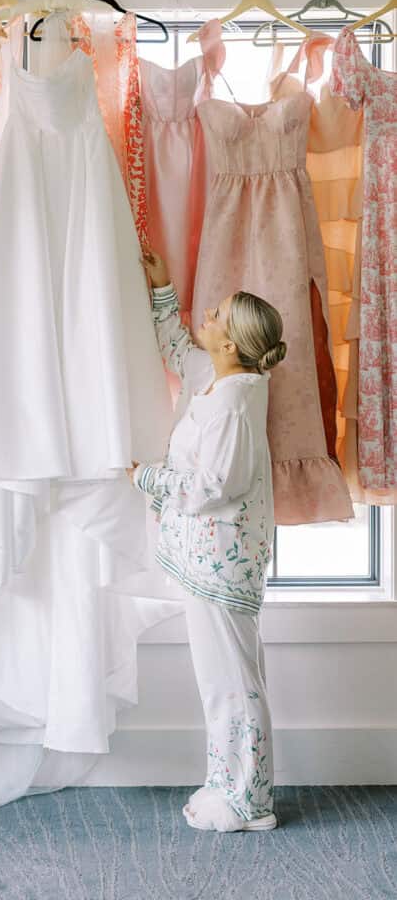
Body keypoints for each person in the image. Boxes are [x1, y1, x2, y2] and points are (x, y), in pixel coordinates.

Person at [131, 248, 287, 832]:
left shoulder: (234, 404)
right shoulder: (217, 376)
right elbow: (176, 346)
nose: (209, 314)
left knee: (234, 684)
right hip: (210, 561)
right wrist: (162, 287)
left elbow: (214, 486)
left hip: (223, 564)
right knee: (222, 682)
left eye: (218, 315)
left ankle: (249, 801)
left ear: (231, 345)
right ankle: (229, 785)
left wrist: (146, 477)